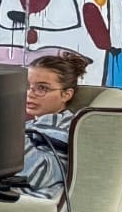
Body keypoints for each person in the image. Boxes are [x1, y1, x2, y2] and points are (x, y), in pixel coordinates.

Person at [22, 50, 87, 200]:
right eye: (27, 86)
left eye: (42, 88)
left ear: (66, 94)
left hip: (27, 200)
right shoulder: (36, 124)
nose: (30, 93)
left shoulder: (63, 127)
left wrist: (7, 133)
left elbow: (39, 175)